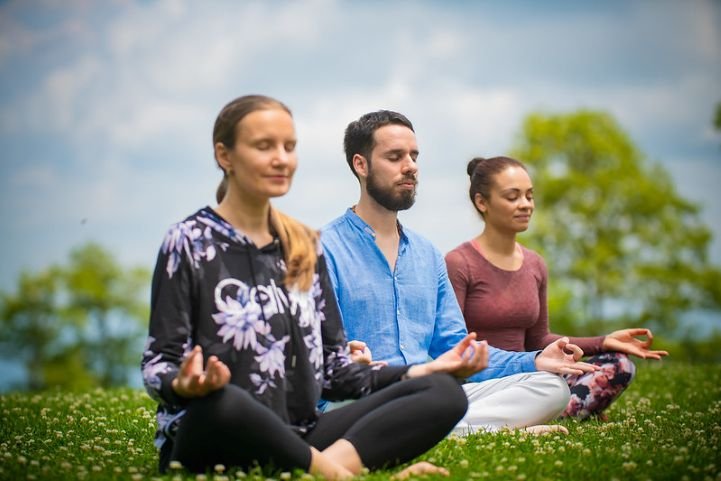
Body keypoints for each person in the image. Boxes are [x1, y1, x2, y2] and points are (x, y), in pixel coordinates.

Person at [141, 95, 491, 479]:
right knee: (223, 402)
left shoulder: (304, 246)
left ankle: (317, 470)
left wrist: (420, 373)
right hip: (216, 434)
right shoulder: (189, 241)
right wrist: (185, 384)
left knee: (441, 392)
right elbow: (159, 363)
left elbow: (337, 372)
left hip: (301, 433)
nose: (281, 158)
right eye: (264, 146)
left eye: (289, 147)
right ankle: (338, 474)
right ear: (225, 156)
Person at [320, 110, 598, 436]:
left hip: (432, 396)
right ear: (361, 165)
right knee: (352, 405)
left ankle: (448, 432)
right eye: (395, 157)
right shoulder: (323, 249)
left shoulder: (427, 255)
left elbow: (456, 349)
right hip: (363, 398)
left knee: (551, 388)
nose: (410, 166)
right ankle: (474, 430)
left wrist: (534, 360)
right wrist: (349, 365)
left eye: (414, 156)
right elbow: (317, 359)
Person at [445, 156, 669, 420]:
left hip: (534, 373)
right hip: (485, 383)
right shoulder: (459, 263)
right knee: (543, 388)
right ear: (482, 202)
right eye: (512, 197)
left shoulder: (535, 264)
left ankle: (543, 411)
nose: (525, 205)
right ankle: (556, 410)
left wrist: (604, 342)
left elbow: (539, 340)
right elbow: (453, 346)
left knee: (618, 365)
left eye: (529, 196)